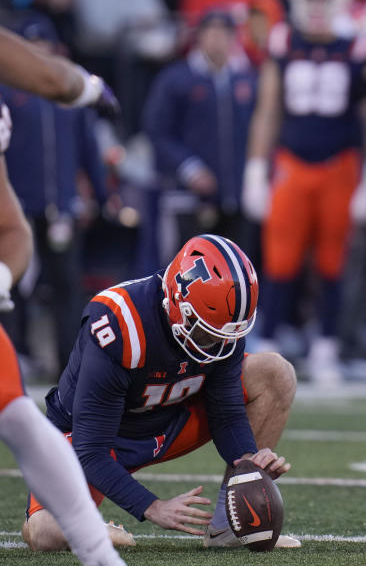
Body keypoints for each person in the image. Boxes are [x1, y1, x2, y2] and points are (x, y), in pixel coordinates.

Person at [21, 234, 301, 551]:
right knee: (46, 533)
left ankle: (229, 526)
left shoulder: (222, 325)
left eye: (225, 335)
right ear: (176, 305)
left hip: (169, 418)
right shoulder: (120, 323)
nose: (218, 346)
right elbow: (91, 451)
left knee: (276, 373)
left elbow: (225, 411)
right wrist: (152, 506)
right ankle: (85, 522)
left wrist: (248, 459)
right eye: (205, 333)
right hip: (98, 437)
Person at [0, 23, 121, 564]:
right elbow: (54, 79)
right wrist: (91, 89)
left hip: (52, 209)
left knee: (19, 416)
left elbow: (10, 229)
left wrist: (0, 279)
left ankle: (99, 554)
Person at [243, 0, 366, 384]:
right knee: (280, 259)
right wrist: (257, 167)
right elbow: (268, 109)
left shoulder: (358, 47)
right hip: (292, 163)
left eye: (324, 0)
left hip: (340, 164)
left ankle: (327, 346)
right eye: (310, 0)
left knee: (332, 260)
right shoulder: (284, 41)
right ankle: (270, 343)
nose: (316, 9)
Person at [0, 14, 110, 376]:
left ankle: (69, 360)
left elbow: (88, 148)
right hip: (19, 202)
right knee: (14, 289)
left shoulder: (63, 99)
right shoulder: (12, 91)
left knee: (65, 286)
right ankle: (16, 358)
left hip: (61, 204)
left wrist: (101, 193)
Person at [143, 10, 257, 256]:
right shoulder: (176, 79)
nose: (217, 38)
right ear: (200, 37)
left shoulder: (246, 79)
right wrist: (190, 168)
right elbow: (157, 131)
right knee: (185, 272)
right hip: (186, 195)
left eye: (224, 32)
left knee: (235, 274)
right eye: (211, 31)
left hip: (236, 196)